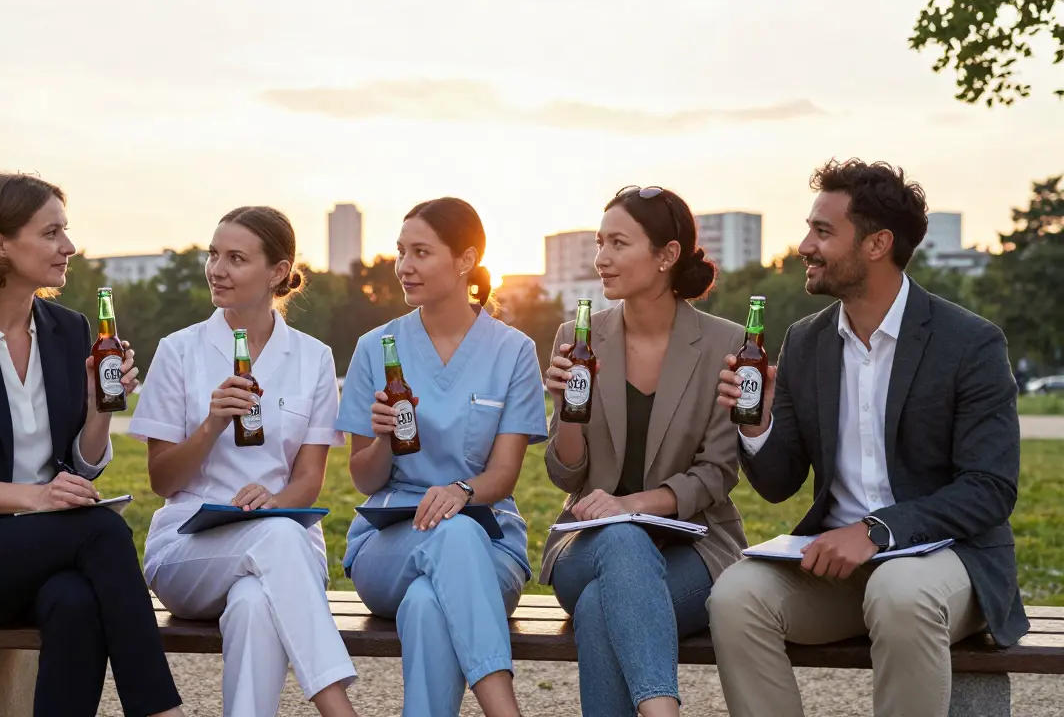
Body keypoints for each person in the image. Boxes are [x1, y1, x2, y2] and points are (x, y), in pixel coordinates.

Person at [710, 159, 1026, 717]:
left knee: (899, 591)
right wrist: (756, 425)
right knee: (736, 598)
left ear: (877, 244)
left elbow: (989, 488)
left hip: (949, 564)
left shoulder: (970, 343)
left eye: (823, 232)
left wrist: (878, 531)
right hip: (840, 569)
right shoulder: (806, 342)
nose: (805, 245)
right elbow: (781, 483)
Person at [0, 173, 184, 717]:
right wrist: (38, 499)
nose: (68, 247)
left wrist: (98, 411)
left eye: (65, 231)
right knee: (102, 528)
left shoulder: (69, 331)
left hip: (44, 551)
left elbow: (80, 468)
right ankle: (160, 710)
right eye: (51, 233)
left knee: (74, 602)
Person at [129, 206, 359, 717]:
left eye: (236, 258)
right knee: (277, 537)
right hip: (190, 548)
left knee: (256, 600)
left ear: (277, 273)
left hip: (286, 546)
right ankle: (337, 705)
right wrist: (211, 424)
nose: (216, 269)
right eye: (214, 254)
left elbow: (309, 480)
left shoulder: (313, 357)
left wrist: (275, 503)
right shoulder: (179, 351)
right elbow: (161, 479)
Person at [540, 186, 749, 717]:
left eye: (618, 243)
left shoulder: (727, 345)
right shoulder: (578, 335)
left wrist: (629, 505)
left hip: (695, 550)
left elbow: (716, 475)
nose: (600, 258)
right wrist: (566, 407)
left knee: (598, 608)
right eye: (598, 242)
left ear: (666, 256)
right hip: (587, 547)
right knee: (623, 544)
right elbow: (568, 475)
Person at [336, 197, 548, 717]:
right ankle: (505, 709)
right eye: (401, 251)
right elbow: (364, 480)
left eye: (422, 252)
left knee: (430, 605)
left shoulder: (513, 350)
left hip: (488, 543)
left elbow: (503, 474)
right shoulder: (375, 347)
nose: (405, 265)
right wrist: (383, 436)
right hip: (390, 543)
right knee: (449, 536)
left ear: (465, 259)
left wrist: (461, 492)